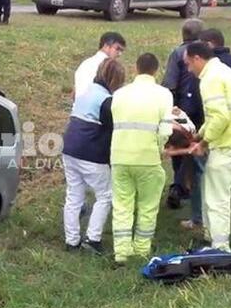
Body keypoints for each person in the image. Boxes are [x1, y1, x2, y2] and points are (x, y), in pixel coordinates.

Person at [184, 42, 231, 253]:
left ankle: (220, 247)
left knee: (217, 196)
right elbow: (215, 117)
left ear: (198, 58)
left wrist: (203, 143)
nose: (189, 69)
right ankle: (210, 236)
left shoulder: (210, 79)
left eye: (189, 64)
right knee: (210, 186)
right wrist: (199, 135)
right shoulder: (221, 70)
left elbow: (220, 117)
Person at [110, 53, 174, 264]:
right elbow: (165, 130)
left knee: (122, 206)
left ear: (135, 68)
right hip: (148, 159)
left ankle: (121, 252)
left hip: (119, 157)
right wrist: (160, 150)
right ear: (156, 70)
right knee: (147, 206)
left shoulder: (119, 94)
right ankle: (141, 250)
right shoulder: (163, 94)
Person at [62, 59, 126, 255]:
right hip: (91, 152)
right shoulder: (107, 101)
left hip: (69, 148)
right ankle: (93, 238)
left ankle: (71, 241)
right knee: (105, 195)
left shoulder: (85, 91)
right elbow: (113, 129)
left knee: (74, 196)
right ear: (115, 79)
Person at [162, 19, 205, 209]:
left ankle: (179, 186)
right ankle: (186, 185)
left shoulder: (178, 53)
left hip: (182, 108)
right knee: (194, 144)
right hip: (202, 106)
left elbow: (170, 83)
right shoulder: (204, 55)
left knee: (178, 144)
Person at [74, 32, 126, 99]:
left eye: (121, 51)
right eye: (117, 49)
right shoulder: (107, 67)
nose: (119, 54)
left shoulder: (85, 63)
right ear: (106, 46)